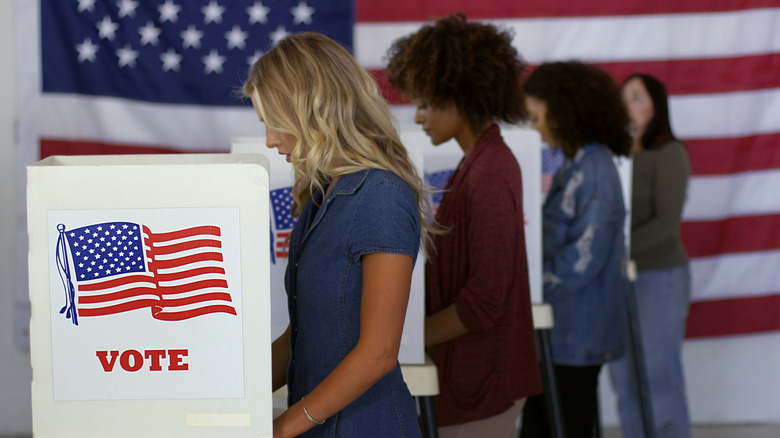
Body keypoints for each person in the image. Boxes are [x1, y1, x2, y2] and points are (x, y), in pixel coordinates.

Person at [243, 32, 438, 438]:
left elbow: (378, 353)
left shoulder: (381, 192)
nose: (270, 140)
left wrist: (280, 428)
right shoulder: (321, 194)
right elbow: (301, 335)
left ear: (312, 109)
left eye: (275, 124)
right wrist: (227, 394)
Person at [386, 13, 543, 437]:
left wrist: (401, 342)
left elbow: (485, 301)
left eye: (424, 102)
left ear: (457, 95)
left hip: (484, 381)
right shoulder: (479, 164)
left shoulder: (489, 172)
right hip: (474, 376)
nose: (418, 117)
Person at [519, 61, 631, 438]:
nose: (533, 127)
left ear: (565, 111)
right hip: (564, 328)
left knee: (560, 423)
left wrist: (530, 288)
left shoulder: (595, 170)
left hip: (578, 331)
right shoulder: (574, 164)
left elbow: (584, 257)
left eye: (536, 117)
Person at [609, 73, 692, 438]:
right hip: (617, 279)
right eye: (624, 96)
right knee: (623, 376)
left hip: (658, 277)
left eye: (638, 96)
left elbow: (665, 225)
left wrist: (612, 253)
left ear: (657, 106)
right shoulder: (613, 154)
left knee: (658, 373)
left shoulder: (669, 153)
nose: (628, 103)